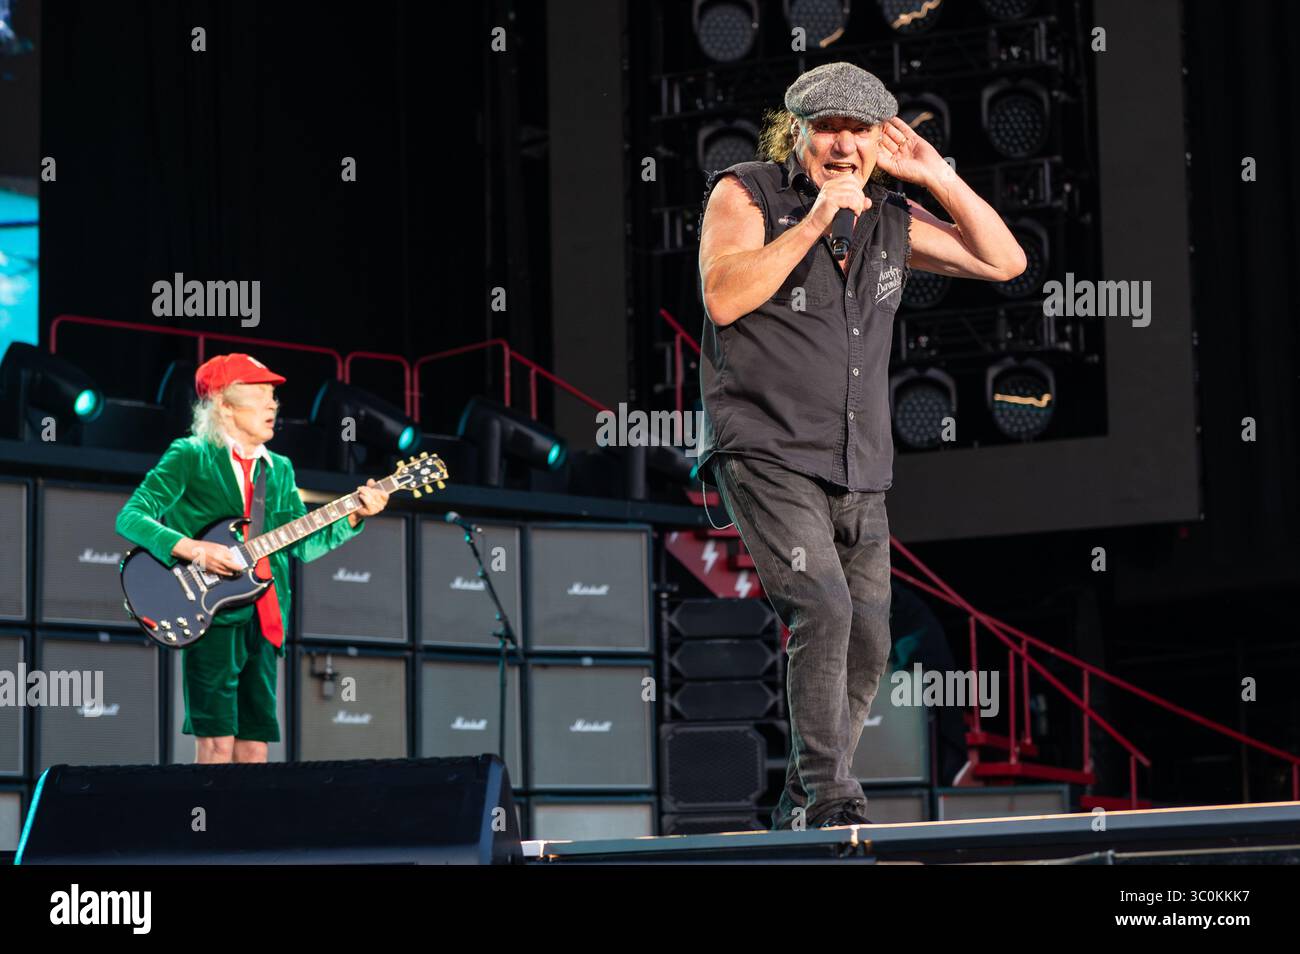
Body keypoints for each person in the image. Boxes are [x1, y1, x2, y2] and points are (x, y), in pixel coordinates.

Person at [696, 62, 1026, 829]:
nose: (842, 147)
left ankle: (799, 805)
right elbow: (724, 296)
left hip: (859, 463)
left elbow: (1004, 261)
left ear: (880, 141)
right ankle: (831, 796)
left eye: (859, 132)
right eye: (829, 130)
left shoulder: (889, 216)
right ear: (799, 134)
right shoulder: (746, 192)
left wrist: (937, 176)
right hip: (769, 448)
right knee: (823, 607)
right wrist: (815, 218)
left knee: (872, 634)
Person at [116, 353, 390, 764]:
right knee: (216, 744)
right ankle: (205, 826)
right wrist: (195, 549)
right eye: (259, 396)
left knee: (254, 747)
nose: (272, 407)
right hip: (211, 614)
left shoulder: (278, 468)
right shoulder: (190, 454)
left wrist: (353, 514)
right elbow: (131, 517)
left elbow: (303, 542)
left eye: (273, 398)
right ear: (224, 405)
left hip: (266, 617)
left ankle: (248, 828)